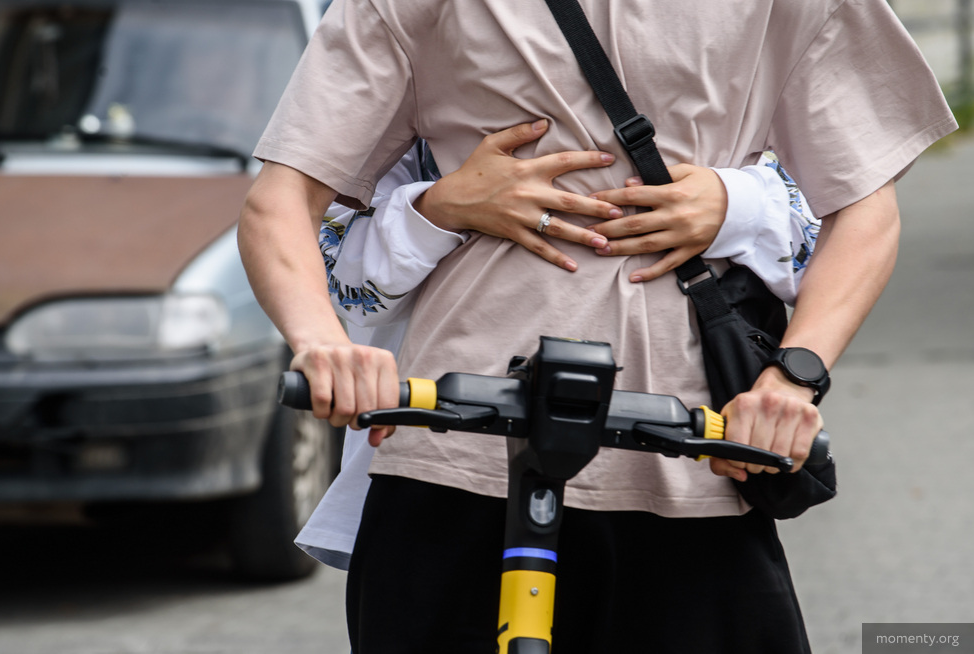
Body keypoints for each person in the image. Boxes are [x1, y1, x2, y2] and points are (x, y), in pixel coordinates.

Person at [238, 1, 957, 650]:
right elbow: (281, 200)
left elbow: (864, 205)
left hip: (691, 458)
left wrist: (794, 378)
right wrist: (323, 342)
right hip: (456, 457)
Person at [295, 123, 820, 570]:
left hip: (685, 462)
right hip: (449, 458)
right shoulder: (425, 70)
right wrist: (440, 208)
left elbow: (838, 224)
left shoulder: (733, 87)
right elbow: (347, 288)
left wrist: (733, 205)